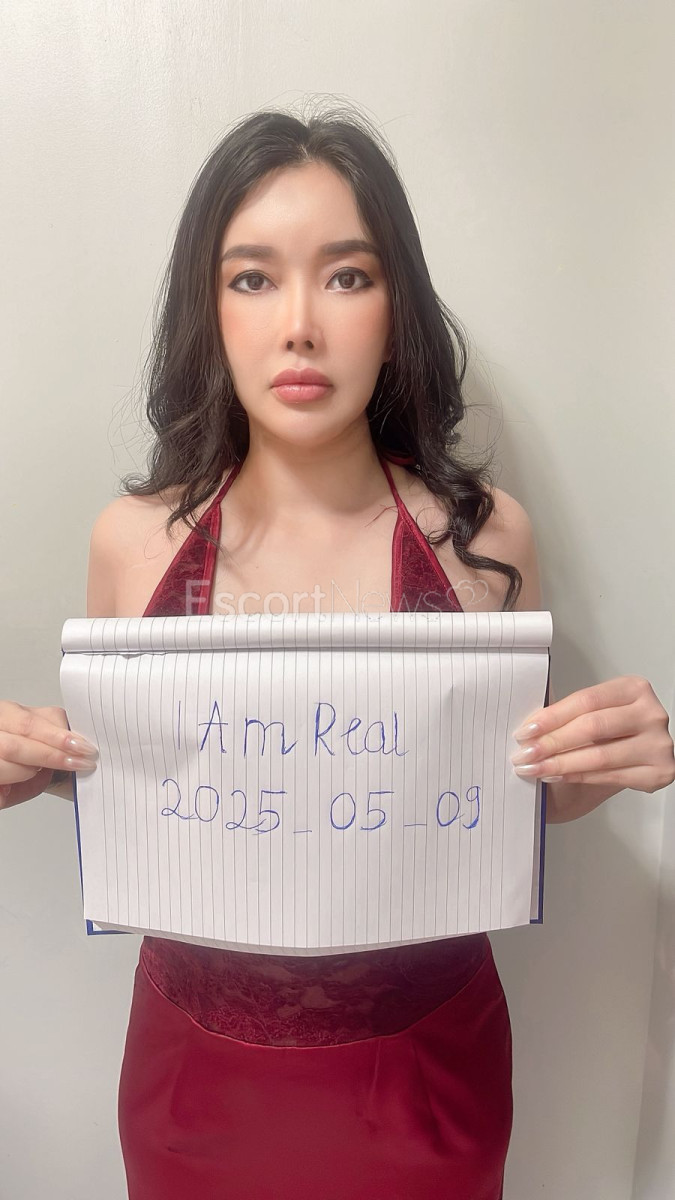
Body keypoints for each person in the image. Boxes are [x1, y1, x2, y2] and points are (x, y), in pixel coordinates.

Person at [2, 103, 673, 1200]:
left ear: (396, 308)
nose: (300, 325)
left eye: (347, 276)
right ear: (209, 312)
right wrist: (40, 764)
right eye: (253, 278)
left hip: (426, 1074)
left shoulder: (483, 539)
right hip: (194, 1080)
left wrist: (601, 761)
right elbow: (149, 781)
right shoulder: (131, 544)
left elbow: (501, 796)